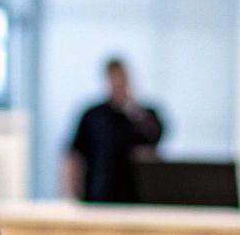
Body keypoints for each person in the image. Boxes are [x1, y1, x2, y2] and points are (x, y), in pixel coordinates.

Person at [63, 57, 165, 203]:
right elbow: (74, 155)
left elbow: (155, 140)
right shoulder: (93, 116)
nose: (118, 83)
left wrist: (133, 109)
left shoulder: (143, 115)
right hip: (98, 196)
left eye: (122, 78)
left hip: (136, 198)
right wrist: (71, 193)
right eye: (114, 78)